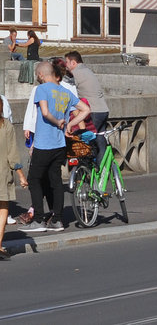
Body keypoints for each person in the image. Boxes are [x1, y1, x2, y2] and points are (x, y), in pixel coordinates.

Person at [22, 60, 89, 233]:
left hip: (44, 144)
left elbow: (44, 113)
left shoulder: (41, 89)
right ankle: (57, 220)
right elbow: (85, 109)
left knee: (34, 180)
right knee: (56, 181)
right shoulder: (65, 92)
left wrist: (58, 121)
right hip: (59, 144)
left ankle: (38, 219)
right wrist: (69, 124)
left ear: (41, 75)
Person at [0, 109, 28, 259]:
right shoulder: (7, 126)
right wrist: (22, 176)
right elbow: (13, 155)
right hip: (2, 173)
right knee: (3, 208)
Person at [64, 51, 109, 134]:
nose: (65, 65)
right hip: (103, 109)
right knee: (100, 137)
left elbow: (66, 87)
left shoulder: (76, 73)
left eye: (66, 62)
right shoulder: (87, 70)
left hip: (93, 111)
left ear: (73, 63)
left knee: (89, 139)